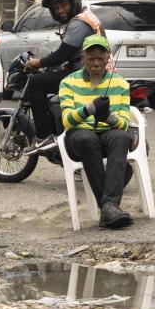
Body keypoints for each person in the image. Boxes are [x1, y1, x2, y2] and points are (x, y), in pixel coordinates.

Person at [59, 35, 134, 229]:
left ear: (109, 58)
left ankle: (108, 207)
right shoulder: (68, 82)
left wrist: (108, 116)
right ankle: (110, 207)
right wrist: (89, 109)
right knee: (86, 138)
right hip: (79, 138)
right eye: (91, 58)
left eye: (101, 59)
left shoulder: (120, 83)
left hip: (109, 133)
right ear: (83, 57)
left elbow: (124, 124)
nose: (95, 64)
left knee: (121, 137)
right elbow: (67, 122)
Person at [23, 0, 104, 154]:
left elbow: (63, 54)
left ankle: (43, 136)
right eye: (56, 7)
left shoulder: (78, 23)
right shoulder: (86, 16)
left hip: (86, 75)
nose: (60, 10)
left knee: (35, 83)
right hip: (96, 72)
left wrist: (40, 62)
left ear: (73, 2)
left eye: (63, 5)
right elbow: (73, 52)